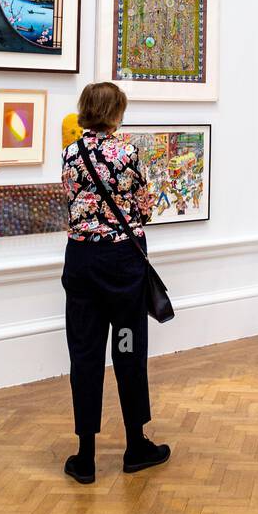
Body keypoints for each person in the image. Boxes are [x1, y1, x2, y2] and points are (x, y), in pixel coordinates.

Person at [60, 81, 170, 485]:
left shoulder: (70, 153)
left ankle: (85, 456)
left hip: (83, 263)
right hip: (123, 266)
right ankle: (135, 445)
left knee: (85, 354)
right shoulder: (127, 152)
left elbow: (70, 203)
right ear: (115, 112)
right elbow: (144, 207)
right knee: (127, 349)